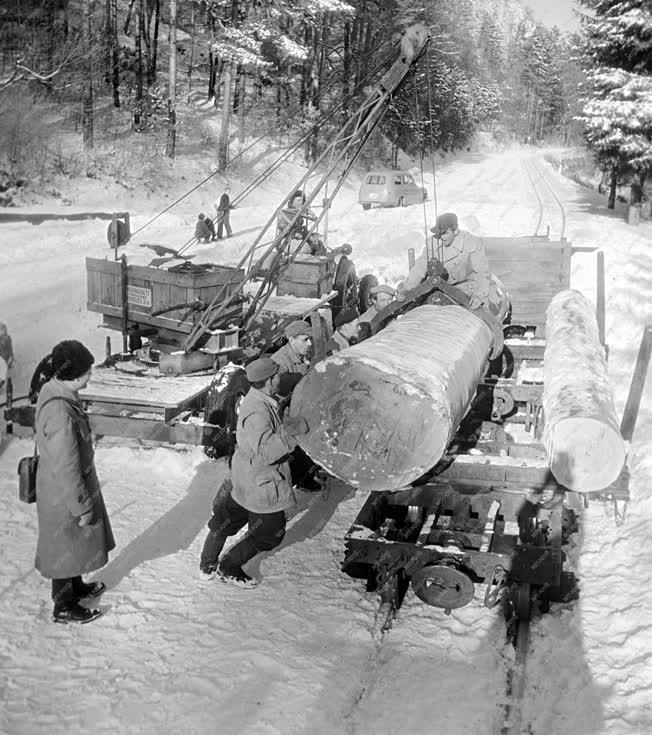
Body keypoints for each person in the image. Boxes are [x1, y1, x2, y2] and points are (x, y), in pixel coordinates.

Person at [198, 358, 308, 587]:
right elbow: (266, 453)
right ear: (269, 380)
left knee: (226, 518)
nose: (281, 378)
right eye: (278, 375)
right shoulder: (258, 411)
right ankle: (227, 568)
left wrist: (285, 423)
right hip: (262, 481)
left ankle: (207, 564)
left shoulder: (259, 399)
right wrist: (292, 433)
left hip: (244, 476)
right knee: (269, 534)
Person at [34, 340, 116, 624]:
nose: (91, 374)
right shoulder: (61, 414)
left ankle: (76, 586)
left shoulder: (57, 390)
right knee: (65, 546)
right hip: (64, 493)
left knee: (72, 545)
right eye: (88, 370)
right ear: (76, 374)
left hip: (62, 489)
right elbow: (67, 467)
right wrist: (81, 506)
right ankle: (64, 606)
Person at [398, 212, 502, 313]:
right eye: (440, 233)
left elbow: (482, 272)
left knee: (480, 312)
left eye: (446, 233)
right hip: (440, 287)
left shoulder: (471, 243)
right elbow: (419, 268)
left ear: (456, 231)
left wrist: (479, 295)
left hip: (466, 288)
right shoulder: (433, 243)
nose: (442, 237)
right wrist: (406, 289)